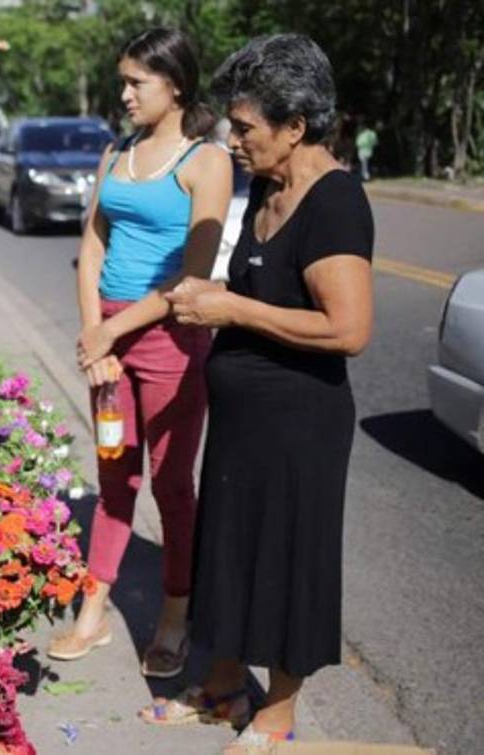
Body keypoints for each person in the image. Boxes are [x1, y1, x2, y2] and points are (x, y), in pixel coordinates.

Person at [145, 35, 374, 751]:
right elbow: (256, 287)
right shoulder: (270, 188)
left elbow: (348, 328)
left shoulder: (336, 202)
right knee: (233, 549)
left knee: (286, 559)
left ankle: (276, 712)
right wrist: (214, 295)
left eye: (246, 128)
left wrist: (235, 311)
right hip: (244, 422)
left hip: (298, 424)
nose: (233, 141)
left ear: (296, 126)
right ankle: (221, 683)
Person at [47, 28, 232, 680]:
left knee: (172, 484)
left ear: (175, 84)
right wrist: (96, 333)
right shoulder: (116, 154)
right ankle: (93, 609)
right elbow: (91, 247)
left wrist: (114, 334)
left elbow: (195, 274)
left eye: (136, 82)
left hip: (171, 339)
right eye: (121, 80)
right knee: (113, 474)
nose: (123, 93)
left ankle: (176, 612)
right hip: (110, 342)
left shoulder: (207, 161)